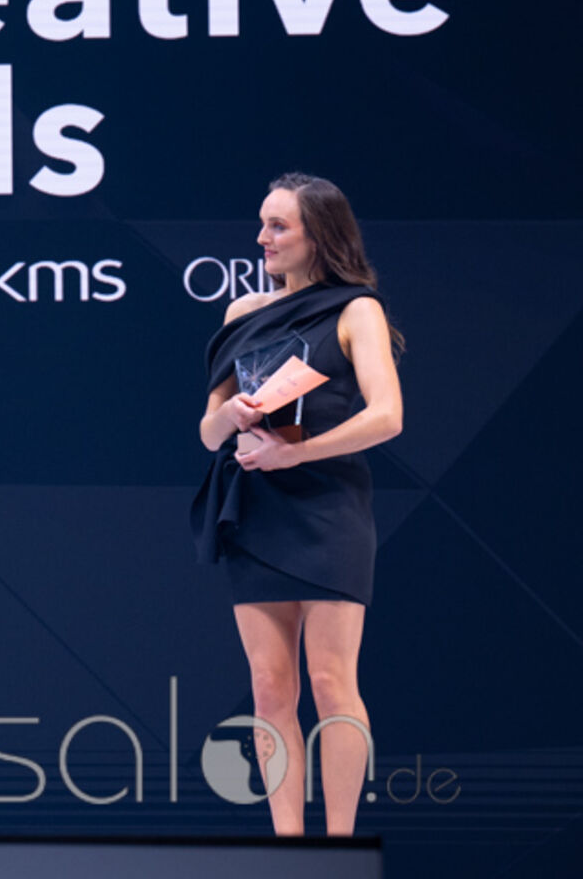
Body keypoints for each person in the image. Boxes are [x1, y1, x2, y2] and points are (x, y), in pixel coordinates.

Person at [191, 173, 403, 837]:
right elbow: (208, 433)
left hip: (328, 509)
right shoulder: (242, 313)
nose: (262, 237)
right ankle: (290, 851)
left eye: (278, 226)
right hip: (255, 509)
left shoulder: (356, 309)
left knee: (332, 681)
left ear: (320, 235)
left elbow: (387, 415)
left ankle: (339, 849)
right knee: (269, 688)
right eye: (262, 223)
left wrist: (298, 453)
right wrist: (234, 414)